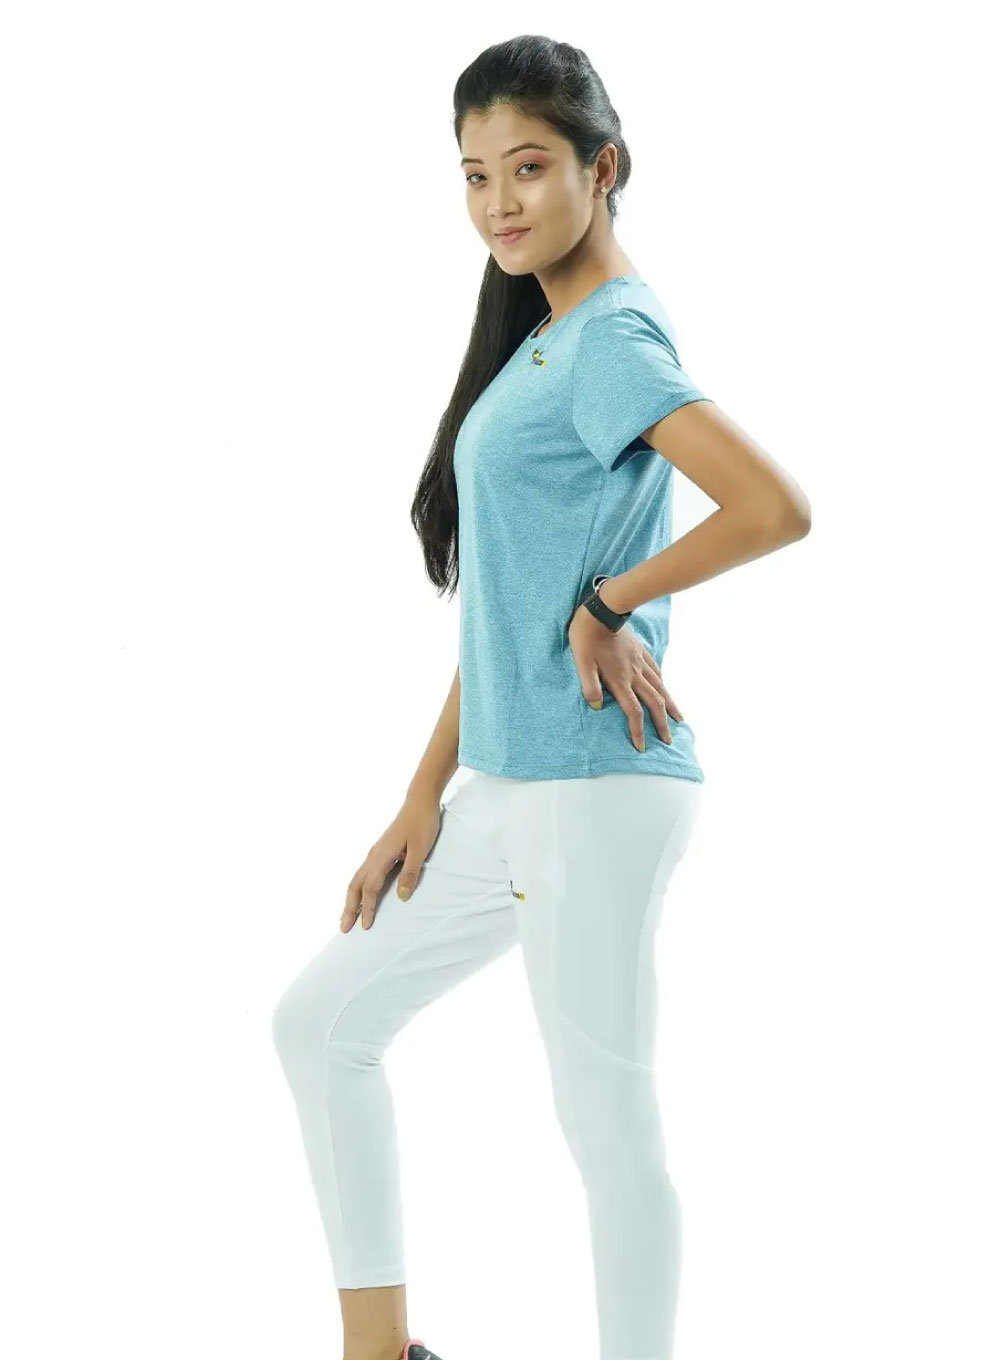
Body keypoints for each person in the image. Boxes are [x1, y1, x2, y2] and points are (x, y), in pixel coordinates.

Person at [271, 34, 811, 1360]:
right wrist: (422, 795)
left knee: (605, 1125)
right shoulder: (543, 343)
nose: (499, 202)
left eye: (527, 167)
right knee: (321, 1024)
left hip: (595, 788)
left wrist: (612, 601)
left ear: (601, 168)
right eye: (474, 176)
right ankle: (378, 1351)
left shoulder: (612, 336)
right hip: (509, 789)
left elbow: (773, 506)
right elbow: (505, 614)